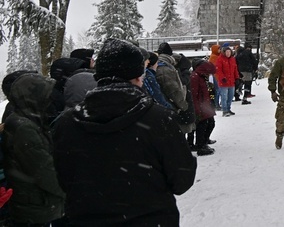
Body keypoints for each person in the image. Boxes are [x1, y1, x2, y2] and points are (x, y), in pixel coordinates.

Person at [53, 38, 196, 225]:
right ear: (138, 76)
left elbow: (62, 180)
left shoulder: (66, 123)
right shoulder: (158, 119)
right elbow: (182, 179)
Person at [2, 73, 65, 226]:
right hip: (33, 206)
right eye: (46, 96)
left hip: (30, 202)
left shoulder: (25, 119)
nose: (50, 100)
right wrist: (67, 191)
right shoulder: (24, 128)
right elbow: (43, 170)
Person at [190, 59, 218, 156]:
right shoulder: (195, 77)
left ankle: (203, 143)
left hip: (205, 105)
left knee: (210, 123)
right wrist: (197, 109)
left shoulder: (202, 77)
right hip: (200, 106)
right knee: (203, 126)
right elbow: (194, 95)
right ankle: (201, 145)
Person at [215, 44, 240, 116]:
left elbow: (235, 69)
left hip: (231, 81)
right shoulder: (220, 59)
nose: (228, 53)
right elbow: (218, 70)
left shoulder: (233, 59)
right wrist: (222, 78)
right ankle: (225, 110)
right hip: (224, 81)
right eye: (227, 52)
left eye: (229, 52)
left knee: (230, 96)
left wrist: (237, 77)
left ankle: (228, 108)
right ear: (224, 52)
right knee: (224, 96)